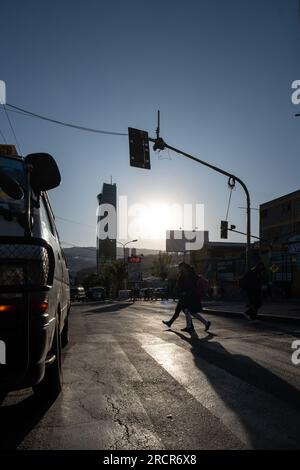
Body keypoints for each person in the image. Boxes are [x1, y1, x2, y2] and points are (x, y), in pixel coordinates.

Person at [162, 262, 211, 332]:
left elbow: (191, 285)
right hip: (185, 295)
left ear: (183, 267)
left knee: (187, 310)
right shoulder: (184, 274)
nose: (179, 268)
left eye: (180, 267)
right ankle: (203, 323)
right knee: (189, 311)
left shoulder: (190, 274)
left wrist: (186, 291)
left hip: (190, 296)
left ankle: (191, 326)